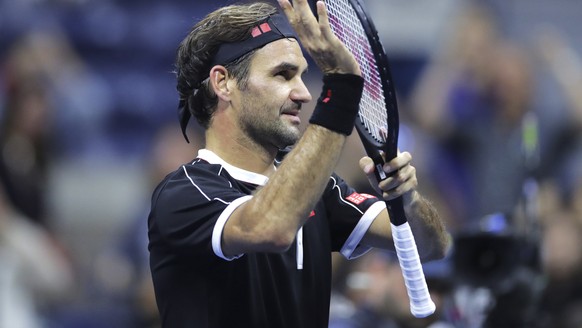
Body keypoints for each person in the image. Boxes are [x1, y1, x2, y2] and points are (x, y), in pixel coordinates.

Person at [147, 1, 450, 327]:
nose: (304, 94)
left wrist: (406, 200)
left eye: (303, 76)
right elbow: (271, 227)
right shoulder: (184, 194)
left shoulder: (320, 188)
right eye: (283, 74)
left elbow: (432, 245)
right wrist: (341, 89)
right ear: (223, 83)